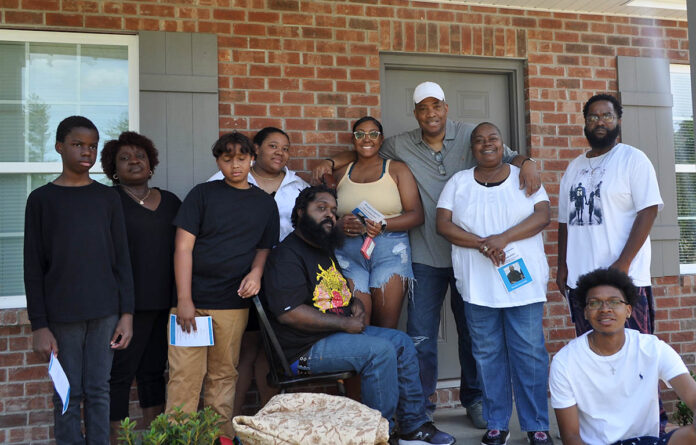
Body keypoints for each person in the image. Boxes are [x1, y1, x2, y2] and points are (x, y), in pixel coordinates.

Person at [313, 81, 541, 427]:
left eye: (437, 106)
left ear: (446, 107)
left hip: (474, 260)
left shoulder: (471, 135)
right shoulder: (400, 144)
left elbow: (507, 155)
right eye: (423, 108)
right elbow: (366, 148)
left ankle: (475, 399)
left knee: (473, 334)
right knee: (421, 335)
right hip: (425, 255)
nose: (431, 113)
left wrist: (529, 163)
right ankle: (422, 406)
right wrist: (332, 159)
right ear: (416, 113)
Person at [262, 185, 455, 445]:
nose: (329, 215)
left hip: (332, 336)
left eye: (332, 210)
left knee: (401, 342)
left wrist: (356, 305)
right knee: (379, 351)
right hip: (301, 352)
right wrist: (344, 323)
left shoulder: (321, 249)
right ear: (300, 213)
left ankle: (413, 426)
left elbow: (336, 293)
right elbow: (290, 314)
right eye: (321, 209)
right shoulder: (286, 256)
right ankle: (378, 435)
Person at [436, 122, 552, 445]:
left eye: (493, 139)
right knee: (487, 355)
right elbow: (442, 225)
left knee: (529, 354)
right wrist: (481, 244)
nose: (486, 144)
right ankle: (497, 423)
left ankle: (537, 425)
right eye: (479, 141)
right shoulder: (458, 183)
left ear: (503, 145)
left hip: (522, 286)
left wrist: (503, 238)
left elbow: (542, 216)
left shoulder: (523, 178)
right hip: (478, 286)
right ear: (471, 148)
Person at [24, 116, 134, 444]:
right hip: (62, 315)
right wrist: (39, 325)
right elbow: (32, 266)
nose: (86, 152)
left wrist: (126, 314)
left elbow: (122, 260)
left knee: (100, 390)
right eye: (77, 145)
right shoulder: (42, 200)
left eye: (92, 146)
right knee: (67, 393)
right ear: (59, 147)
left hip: (105, 312)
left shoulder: (108, 198)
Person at [166, 132, 279, 437]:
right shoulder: (202, 195)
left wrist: (256, 273)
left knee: (223, 377)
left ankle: (218, 439)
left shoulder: (264, 204)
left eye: (241, 158)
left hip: (233, 305)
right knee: (184, 379)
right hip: (191, 304)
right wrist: (185, 299)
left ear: (252, 158)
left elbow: (264, 247)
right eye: (227, 159)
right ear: (218, 161)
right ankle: (179, 440)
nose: (235, 165)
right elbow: (183, 248)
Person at [209, 127, 308, 416]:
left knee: (271, 351)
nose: (280, 153)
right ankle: (228, 427)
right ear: (256, 150)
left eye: (285, 148)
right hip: (239, 279)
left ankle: (267, 427)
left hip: (283, 281)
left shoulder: (299, 187)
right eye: (273, 146)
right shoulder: (223, 181)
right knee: (240, 353)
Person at [557, 94, 663, 337]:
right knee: (590, 350)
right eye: (593, 117)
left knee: (633, 350)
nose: (600, 122)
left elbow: (648, 210)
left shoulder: (633, 159)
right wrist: (562, 265)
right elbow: (564, 221)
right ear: (585, 123)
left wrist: (623, 263)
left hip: (624, 278)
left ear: (618, 121)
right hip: (582, 281)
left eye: (607, 116)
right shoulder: (574, 167)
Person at [550, 268, 696, 445]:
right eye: (595, 303)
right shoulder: (565, 362)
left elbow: (693, 396)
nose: (605, 309)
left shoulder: (653, 349)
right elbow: (571, 437)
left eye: (614, 302)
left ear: (628, 310)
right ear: (586, 312)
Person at [100, 131, 181, 441]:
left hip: (167, 303)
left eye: (140, 157)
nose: (134, 161)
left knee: (153, 373)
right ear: (113, 169)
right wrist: (123, 308)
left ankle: (155, 435)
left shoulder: (172, 201)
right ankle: (118, 439)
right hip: (126, 307)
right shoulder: (108, 201)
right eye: (124, 158)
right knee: (119, 375)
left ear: (151, 164)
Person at [333, 116, 423, 328]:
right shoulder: (340, 174)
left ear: (381, 139)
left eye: (373, 134)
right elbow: (324, 216)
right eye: (360, 134)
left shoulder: (397, 169)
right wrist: (340, 224)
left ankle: (385, 362)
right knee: (356, 323)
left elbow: (417, 215)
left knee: (386, 326)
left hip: (389, 250)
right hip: (349, 252)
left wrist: (384, 225)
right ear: (353, 139)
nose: (367, 138)